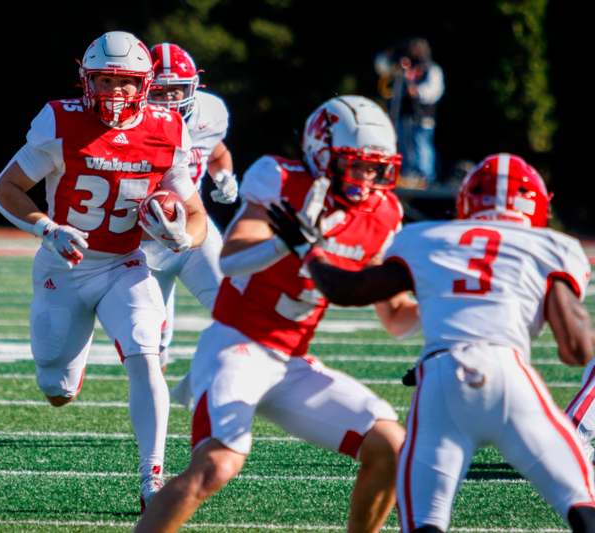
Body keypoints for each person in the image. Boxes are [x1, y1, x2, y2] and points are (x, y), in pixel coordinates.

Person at [268, 153, 595, 532]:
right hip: (511, 377)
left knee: (427, 523)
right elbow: (576, 351)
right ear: (537, 203)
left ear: (467, 200)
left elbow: (349, 290)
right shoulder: (553, 246)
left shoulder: (426, 237)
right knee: (582, 507)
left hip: (441, 379)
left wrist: (308, 250)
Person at [135, 95, 417, 533]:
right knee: (217, 466)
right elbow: (229, 259)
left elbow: (396, 317)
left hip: (291, 362)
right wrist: (284, 243)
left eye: (374, 166)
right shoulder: (282, 178)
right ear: (323, 154)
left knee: (392, 446)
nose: (366, 177)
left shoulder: (383, 213)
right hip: (236, 344)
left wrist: (449, 306)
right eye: (355, 164)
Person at [0, 31, 207, 511]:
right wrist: (47, 228)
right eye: (105, 80)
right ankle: (75, 358)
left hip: (125, 264)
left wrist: (181, 238)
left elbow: (196, 214)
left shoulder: (168, 126)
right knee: (56, 389)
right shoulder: (59, 120)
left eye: (126, 83)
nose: (116, 93)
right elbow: (6, 189)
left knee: (146, 353)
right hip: (63, 267)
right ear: (86, 81)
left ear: (145, 84)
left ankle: (153, 478)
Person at [144, 42, 235, 377]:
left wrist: (224, 176)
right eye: (161, 91)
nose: (169, 99)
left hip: (194, 228)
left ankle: (232, 379)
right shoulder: (131, 124)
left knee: (233, 304)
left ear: (193, 88)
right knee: (152, 340)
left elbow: (216, 151)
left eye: (177, 90)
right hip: (143, 239)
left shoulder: (209, 114)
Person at [375, 38, 444, 187]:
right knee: (404, 145)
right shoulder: (403, 68)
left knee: (422, 145)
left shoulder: (431, 69)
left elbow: (434, 91)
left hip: (423, 116)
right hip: (403, 116)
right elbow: (381, 67)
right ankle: (406, 175)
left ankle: (426, 178)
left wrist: (417, 92)